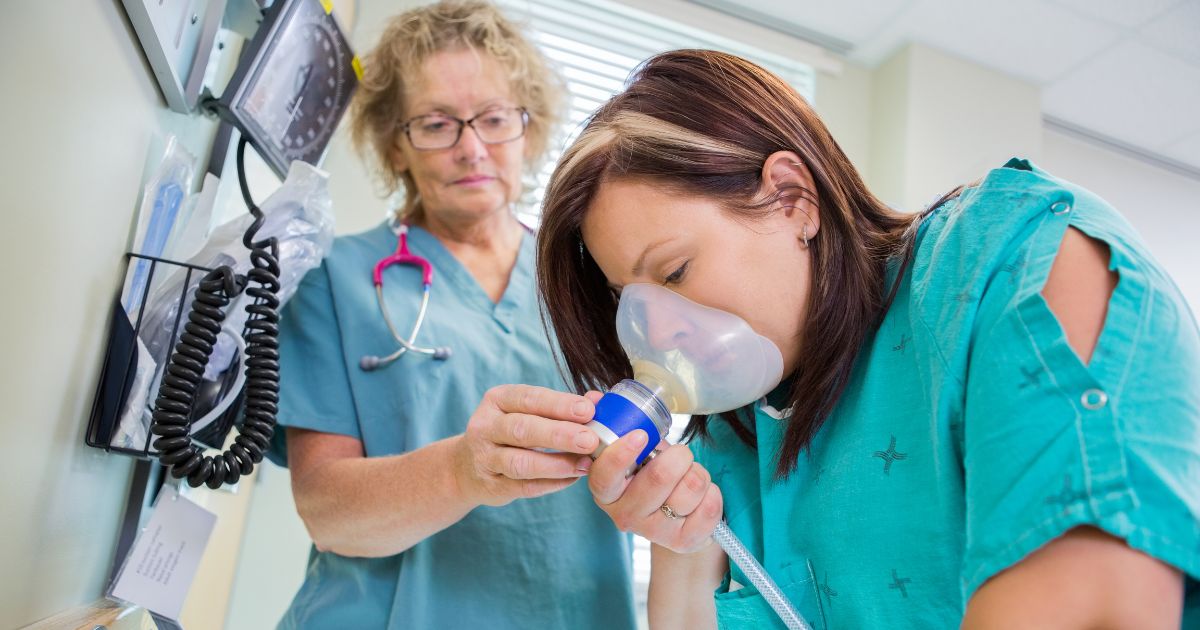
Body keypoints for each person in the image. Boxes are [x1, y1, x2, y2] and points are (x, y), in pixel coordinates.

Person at [536, 49, 1199, 628]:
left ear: (793, 200)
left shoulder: (1014, 260)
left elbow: (1098, 609)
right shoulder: (728, 442)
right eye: (630, 301)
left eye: (676, 271)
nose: (656, 331)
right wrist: (680, 553)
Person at [267, 2, 636, 628]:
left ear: (530, 128)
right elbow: (326, 512)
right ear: (396, 144)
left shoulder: (599, 277)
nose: (472, 149)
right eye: (438, 124)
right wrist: (467, 471)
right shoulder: (337, 278)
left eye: (494, 119)